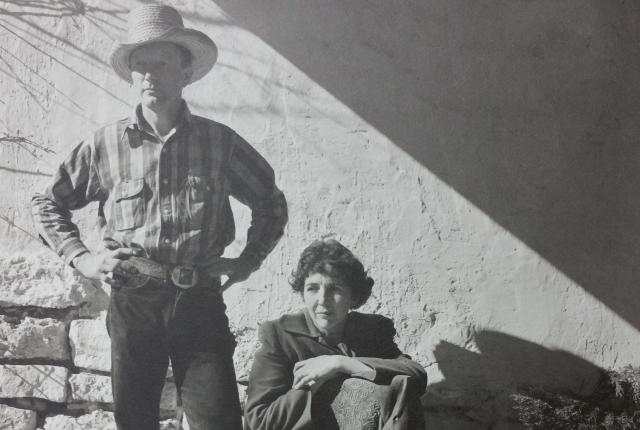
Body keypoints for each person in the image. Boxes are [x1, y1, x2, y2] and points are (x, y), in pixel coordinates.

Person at [31, 4, 287, 430]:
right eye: (140, 65)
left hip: (199, 300)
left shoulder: (219, 143)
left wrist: (249, 260)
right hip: (134, 299)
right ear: (131, 75)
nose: (150, 74)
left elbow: (270, 202)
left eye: (162, 63)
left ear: (185, 73)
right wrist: (83, 258)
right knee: (136, 422)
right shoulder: (105, 145)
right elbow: (47, 203)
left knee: (219, 420)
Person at [244, 239, 427, 430]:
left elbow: (416, 374)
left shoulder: (372, 330)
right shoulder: (279, 336)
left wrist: (339, 363)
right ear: (303, 293)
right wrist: (314, 383)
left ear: (353, 296)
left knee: (400, 385)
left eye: (335, 289)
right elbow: (259, 422)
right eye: (312, 288)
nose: (323, 300)